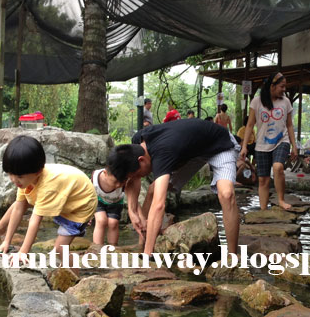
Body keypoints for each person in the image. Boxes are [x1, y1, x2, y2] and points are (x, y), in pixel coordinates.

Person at [107, 120, 240, 254]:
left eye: (137, 173)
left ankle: (232, 256)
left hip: (220, 145)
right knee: (152, 191)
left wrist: (147, 259)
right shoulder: (137, 142)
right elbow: (133, 179)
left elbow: (159, 206)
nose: (138, 176)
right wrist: (132, 210)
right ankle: (142, 244)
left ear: (141, 160)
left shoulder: (163, 152)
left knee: (226, 194)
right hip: (190, 152)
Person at [0, 136, 96, 258]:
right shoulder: (28, 178)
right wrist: (7, 240)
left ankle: (74, 275)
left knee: (60, 249)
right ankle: (0, 227)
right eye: (10, 174)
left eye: (19, 176)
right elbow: (18, 208)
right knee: (19, 203)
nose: (13, 180)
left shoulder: (48, 186)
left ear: (38, 172)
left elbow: (35, 221)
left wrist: (23, 252)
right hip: (67, 194)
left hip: (80, 206)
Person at [239, 72, 298, 210]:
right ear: (272, 86)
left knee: (278, 167)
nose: (284, 89)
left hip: (281, 141)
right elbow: (250, 124)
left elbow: (289, 125)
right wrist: (244, 147)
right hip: (261, 144)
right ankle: (264, 209)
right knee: (263, 179)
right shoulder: (257, 101)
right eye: (282, 86)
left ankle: (281, 200)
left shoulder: (286, 102)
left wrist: (294, 146)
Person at [92, 165, 125, 246]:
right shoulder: (95, 177)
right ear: (105, 174)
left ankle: (113, 248)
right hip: (98, 199)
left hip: (116, 202)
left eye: (121, 182)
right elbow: (88, 193)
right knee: (101, 220)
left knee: (113, 223)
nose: (118, 185)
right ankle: (97, 247)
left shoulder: (126, 178)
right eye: (115, 182)